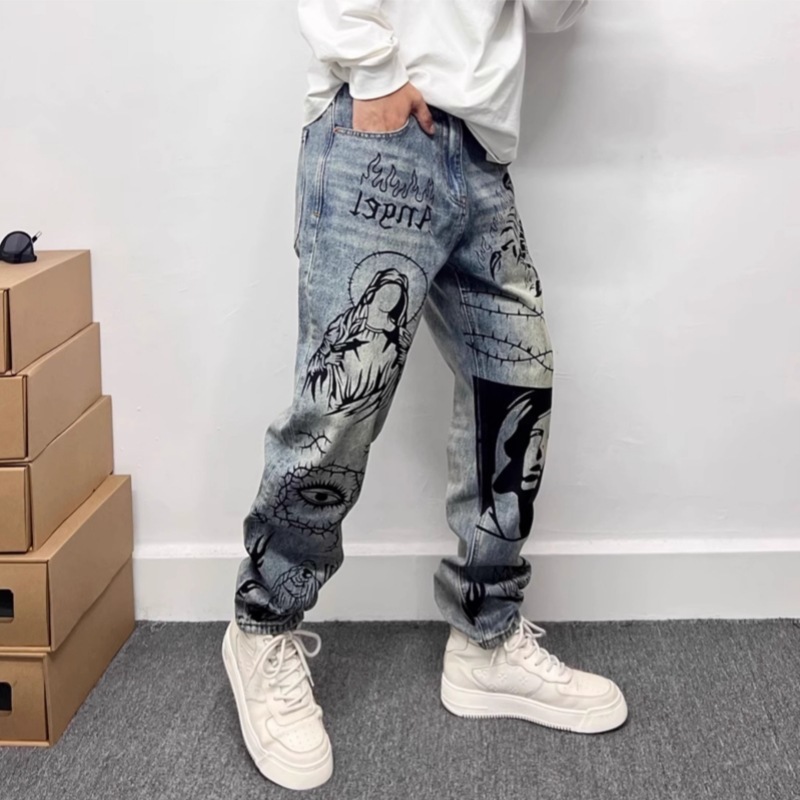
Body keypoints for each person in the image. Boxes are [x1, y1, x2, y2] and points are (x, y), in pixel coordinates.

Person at [221, 0, 628, 790]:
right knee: (340, 408)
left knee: (516, 390)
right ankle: (262, 625)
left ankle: (485, 638)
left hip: (480, 153)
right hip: (381, 128)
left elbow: (549, 15)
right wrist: (374, 72)